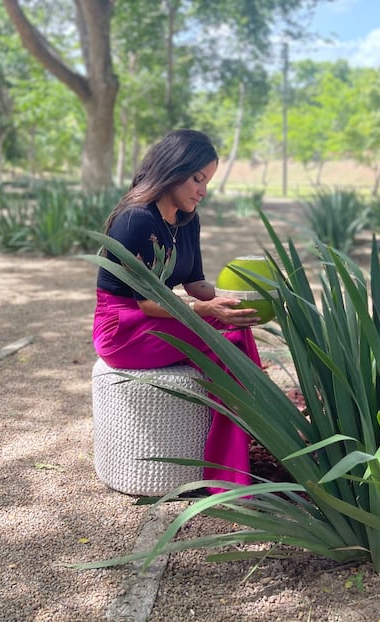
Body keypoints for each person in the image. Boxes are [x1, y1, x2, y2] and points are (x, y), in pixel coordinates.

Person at [92, 129, 262, 489]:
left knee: (237, 327)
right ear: (173, 169)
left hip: (162, 314)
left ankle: (249, 429)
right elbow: (146, 301)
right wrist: (207, 311)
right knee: (228, 340)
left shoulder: (187, 219)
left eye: (207, 181)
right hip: (123, 327)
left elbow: (196, 284)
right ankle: (229, 474)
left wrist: (240, 299)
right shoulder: (136, 219)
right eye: (198, 179)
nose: (203, 191)